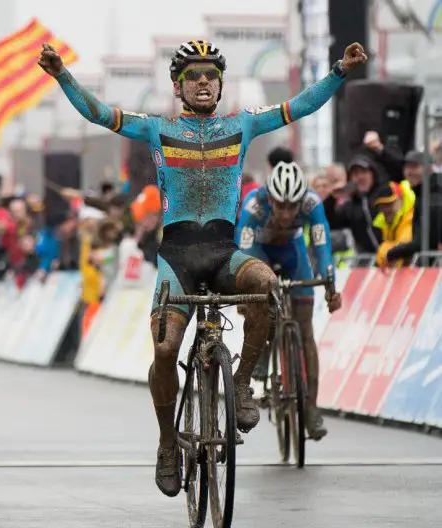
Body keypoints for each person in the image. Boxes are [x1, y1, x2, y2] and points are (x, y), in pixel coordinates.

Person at [38, 38, 366, 498]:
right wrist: (63, 76)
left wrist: (338, 71)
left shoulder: (243, 124)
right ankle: (168, 443)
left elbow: (300, 107)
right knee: (166, 349)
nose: (205, 82)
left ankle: (242, 382)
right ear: (178, 85)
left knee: (268, 285)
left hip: (223, 252)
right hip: (177, 259)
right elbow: (100, 114)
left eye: (212, 74)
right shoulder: (156, 127)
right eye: (194, 75)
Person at [235, 162, 343, 440]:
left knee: (306, 331)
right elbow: (243, 253)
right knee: (258, 296)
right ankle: (260, 350)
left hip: (293, 255)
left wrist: (330, 285)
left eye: (291, 207)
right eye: (279, 206)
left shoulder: (312, 203)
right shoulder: (253, 205)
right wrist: (245, 296)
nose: (285, 213)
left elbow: (322, 246)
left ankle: (311, 409)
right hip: (259, 252)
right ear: (269, 198)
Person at [372, 181, 415, 268]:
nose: (385, 210)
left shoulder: (409, 218)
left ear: (401, 199)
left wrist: (383, 252)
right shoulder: (387, 222)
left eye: (389, 204)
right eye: (382, 205)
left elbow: (403, 248)